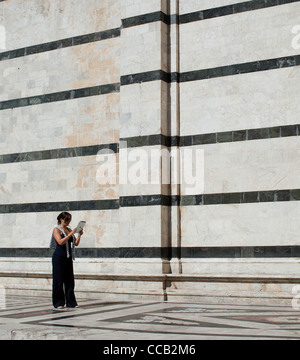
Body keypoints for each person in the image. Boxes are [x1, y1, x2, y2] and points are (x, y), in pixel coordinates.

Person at [51, 212, 83, 310]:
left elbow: (76, 243)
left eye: (69, 219)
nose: (68, 221)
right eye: (67, 219)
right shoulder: (56, 229)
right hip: (58, 257)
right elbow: (60, 242)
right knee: (58, 280)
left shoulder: (68, 229)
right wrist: (70, 234)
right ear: (61, 219)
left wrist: (79, 235)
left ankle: (71, 302)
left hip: (68, 257)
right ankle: (58, 302)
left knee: (69, 280)